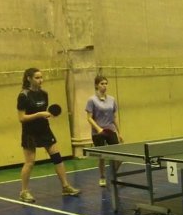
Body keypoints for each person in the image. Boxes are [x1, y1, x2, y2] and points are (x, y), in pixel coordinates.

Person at [17, 68, 80, 203]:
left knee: (57, 157)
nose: (41, 80)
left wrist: (47, 115)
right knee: (30, 162)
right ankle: (24, 192)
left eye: (41, 77)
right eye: (37, 78)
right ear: (29, 79)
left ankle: (65, 187)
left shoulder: (44, 94)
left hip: (44, 130)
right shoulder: (23, 95)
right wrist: (39, 114)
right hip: (29, 133)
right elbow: (21, 118)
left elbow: (44, 111)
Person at [85, 75, 122, 187]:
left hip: (110, 130)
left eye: (106, 83)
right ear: (96, 85)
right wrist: (98, 129)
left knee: (120, 156)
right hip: (98, 132)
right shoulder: (92, 100)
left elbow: (114, 117)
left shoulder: (112, 99)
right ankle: (102, 177)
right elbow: (89, 118)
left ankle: (113, 175)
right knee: (101, 157)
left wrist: (119, 132)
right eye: (102, 84)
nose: (104, 86)